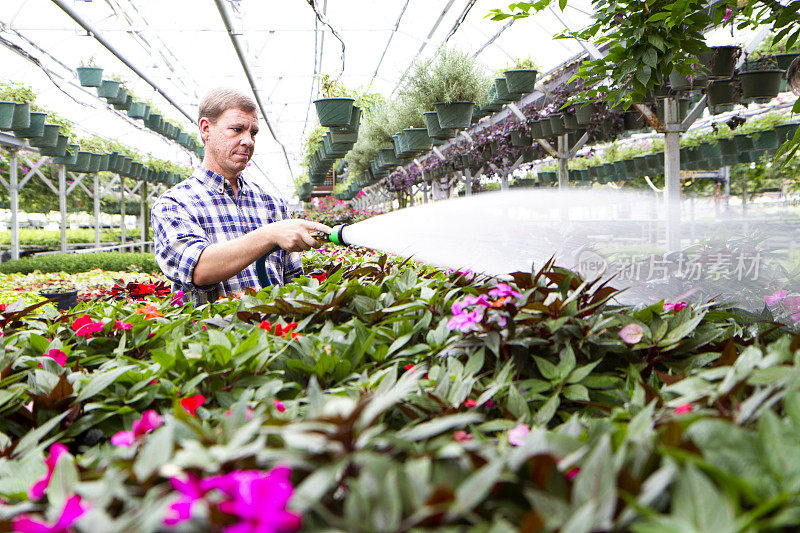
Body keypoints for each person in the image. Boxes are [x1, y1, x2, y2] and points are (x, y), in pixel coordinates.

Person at [151, 87, 331, 303]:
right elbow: (199, 270)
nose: (248, 141)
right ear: (206, 129)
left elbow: (292, 281)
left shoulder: (271, 203)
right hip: (213, 335)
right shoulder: (175, 204)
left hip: (273, 332)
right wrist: (270, 235)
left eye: (253, 132)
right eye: (237, 129)